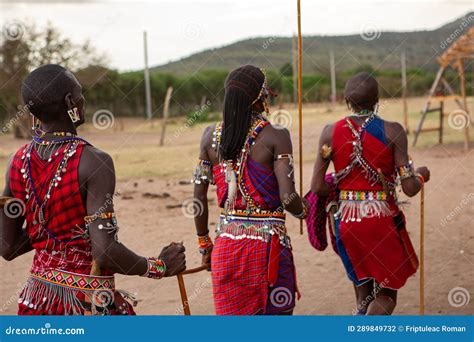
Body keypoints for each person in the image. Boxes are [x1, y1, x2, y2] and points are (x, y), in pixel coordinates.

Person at [0, 64, 186, 315]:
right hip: (85, 305)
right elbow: (105, 251)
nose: (82, 98)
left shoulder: (16, 161)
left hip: (37, 302)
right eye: (79, 92)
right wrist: (160, 266)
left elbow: (7, 247)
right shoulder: (94, 160)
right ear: (69, 101)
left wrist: (51, 229)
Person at [310, 72, 430, 315]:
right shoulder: (393, 131)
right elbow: (408, 187)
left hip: (347, 223)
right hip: (382, 221)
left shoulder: (329, 132)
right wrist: (420, 175)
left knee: (363, 299)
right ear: (377, 100)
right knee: (386, 296)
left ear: (346, 100)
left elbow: (318, 187)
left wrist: (339, 183)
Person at [192, 65, 307, 315]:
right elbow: (289, 198)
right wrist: (304, 210)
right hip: (267, 250)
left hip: (225, 249)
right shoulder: (277, 135)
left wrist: (205, 246)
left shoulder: (209, 135)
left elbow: (198, 198)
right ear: (260, 98)